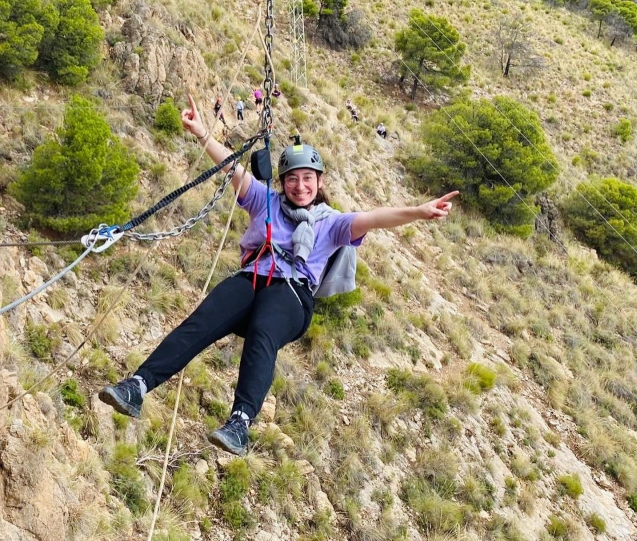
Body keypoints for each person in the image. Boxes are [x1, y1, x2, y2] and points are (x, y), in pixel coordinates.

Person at [98, 95, 458, 456]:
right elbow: (232, 169)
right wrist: (202, 133)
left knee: (264, 330)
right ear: (283, 181)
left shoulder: (333, 223)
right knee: (202, 320)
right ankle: (138, 386)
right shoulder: (265, 201)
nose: (300, 186)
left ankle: (240, 422)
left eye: (307, 179)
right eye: (292, 179)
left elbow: (378, 217)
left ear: (319, 181)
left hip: (292, 294)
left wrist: (419, 211)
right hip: (253, 278)